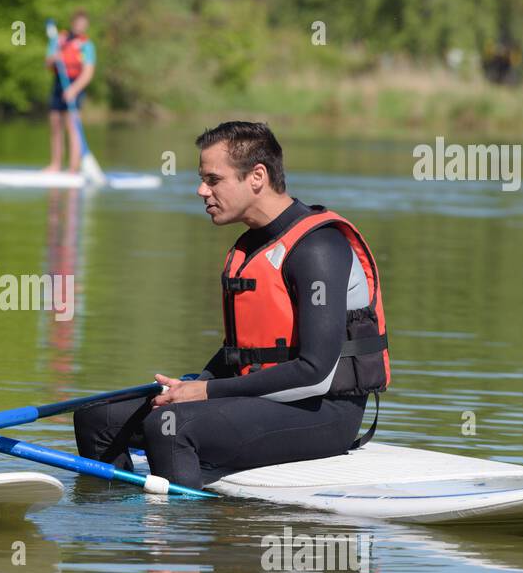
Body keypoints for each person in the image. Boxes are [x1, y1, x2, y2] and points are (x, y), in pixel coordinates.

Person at [73, 121, 390, 489]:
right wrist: (190, 385)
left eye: (213, 179)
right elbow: (241, 353)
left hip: (324, 412)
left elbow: (315, 373)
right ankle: (106, 531)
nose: (201, 190)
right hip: (259, 397)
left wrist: (204, 393)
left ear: (257, 176)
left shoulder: (318, 248)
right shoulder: (251, 245)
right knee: (97, 418)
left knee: (170, 427)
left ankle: (180, 538)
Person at [44, 10, 96, 173]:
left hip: (75, 83)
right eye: (78, 23)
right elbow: (48, 63)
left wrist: (74, 90)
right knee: (55, 122)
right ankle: (56, 165)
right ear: (73, 22)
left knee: (72, 125)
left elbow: (88, 72)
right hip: (59, 82)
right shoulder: (59, 40)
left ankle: (73, 168)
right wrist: (55, 58)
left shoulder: (86, 45)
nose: (81, 26)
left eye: (84, 24)